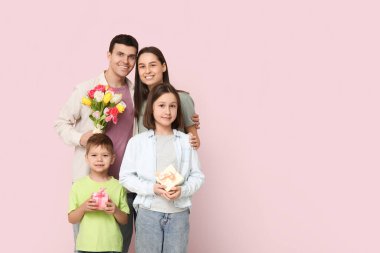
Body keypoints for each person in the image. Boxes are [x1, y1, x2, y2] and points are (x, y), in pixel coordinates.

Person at [55, 34, 138, 252]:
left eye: (131, 57)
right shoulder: (86, 88)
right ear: (109, 55)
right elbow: (61, 123)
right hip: (89, 182)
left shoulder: (136, 93)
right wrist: (81, 138)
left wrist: (189, 123)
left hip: (125, 184)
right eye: (120, 54)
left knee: (118, 245)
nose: (125, 61)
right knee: (86, 245)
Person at [119, 83, 205, 253]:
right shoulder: (138, 142)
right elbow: (125, 177)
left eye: (172, 106)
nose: (167, 111)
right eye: (161, 105)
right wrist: (152, 188)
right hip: (148, 213)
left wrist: (183, 190)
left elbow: (197, 176)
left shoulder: (186, 141)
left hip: (178, 214)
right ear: (152, 108)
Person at [68, 134, 129, 253]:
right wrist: (83, 207)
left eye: (105, 155)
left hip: (112, 246)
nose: (99, 159)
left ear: (112, 159)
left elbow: (125, 220)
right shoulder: (78, 186)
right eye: (94, 155)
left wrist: (115, 210)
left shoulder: (118, 186)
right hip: (85, 247)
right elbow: (71, 219)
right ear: (86, 158)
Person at [134, 46, 201, 148]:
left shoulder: (182, 98)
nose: (147, 71)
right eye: (142, 66)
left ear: (163, 66)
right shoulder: (138, 101)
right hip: (145, 162)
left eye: (152, 65)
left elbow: (195, 142)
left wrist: (192, 141)